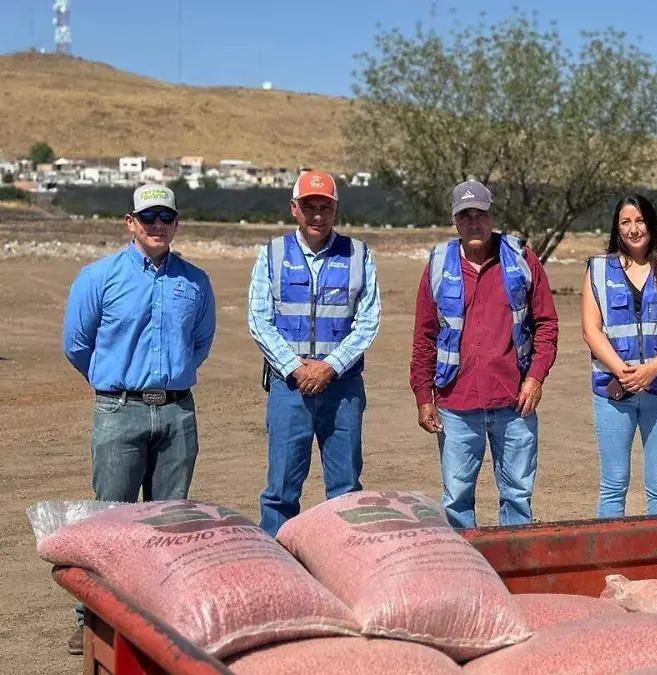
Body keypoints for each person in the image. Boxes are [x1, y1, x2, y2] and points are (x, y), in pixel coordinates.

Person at [61, 183, 216, 654]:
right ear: (131, 222)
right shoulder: (98, 277)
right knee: (111, 519)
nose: (157, 226)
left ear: (176, 223)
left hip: (176, 412)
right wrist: (114, 384)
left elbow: (201, 343)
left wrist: (167, 381)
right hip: (119, 410)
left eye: (165, 218)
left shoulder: (195, 281)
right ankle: (93, 617)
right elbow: (77, 343)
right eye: (148, 218)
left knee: (168, 522)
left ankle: (158, 618)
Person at [410, 180, 559, 529]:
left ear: (492, 215)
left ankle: (516, 572)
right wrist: (423, 396)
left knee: (518, 497)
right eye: (465, 216)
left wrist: (535, 378)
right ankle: (469, 577)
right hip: (456, 406)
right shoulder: (438, 265)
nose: (473, 222)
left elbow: (547, 325)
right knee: (457, 501)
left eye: (480, 214)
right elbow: (424, 337)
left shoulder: (522, 260)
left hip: (514, 403)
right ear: (455, 221)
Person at [247, 170, 381, 537]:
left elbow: (367, 322)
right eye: (309, 207)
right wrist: (295, 368)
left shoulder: (359, 255)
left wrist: (329, 368)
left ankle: (343, 563)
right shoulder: (272, 254)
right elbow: (259, 320)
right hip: (289, 389)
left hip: (342, 390)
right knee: (280, 492)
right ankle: (278, 571)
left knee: (346, 490)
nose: (317, 215)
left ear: (336, 209)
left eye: (325, 206)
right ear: (294, 209)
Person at [581, 195, 657, 518]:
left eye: (640, 220)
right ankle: (610, 561)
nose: (634, 229)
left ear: (652, 223)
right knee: (613, 485)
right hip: (613, 391)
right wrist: (625, 373)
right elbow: (591, 330)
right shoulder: (598, 269)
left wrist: (652, 370)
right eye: (626, 222)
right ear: (617, 228)